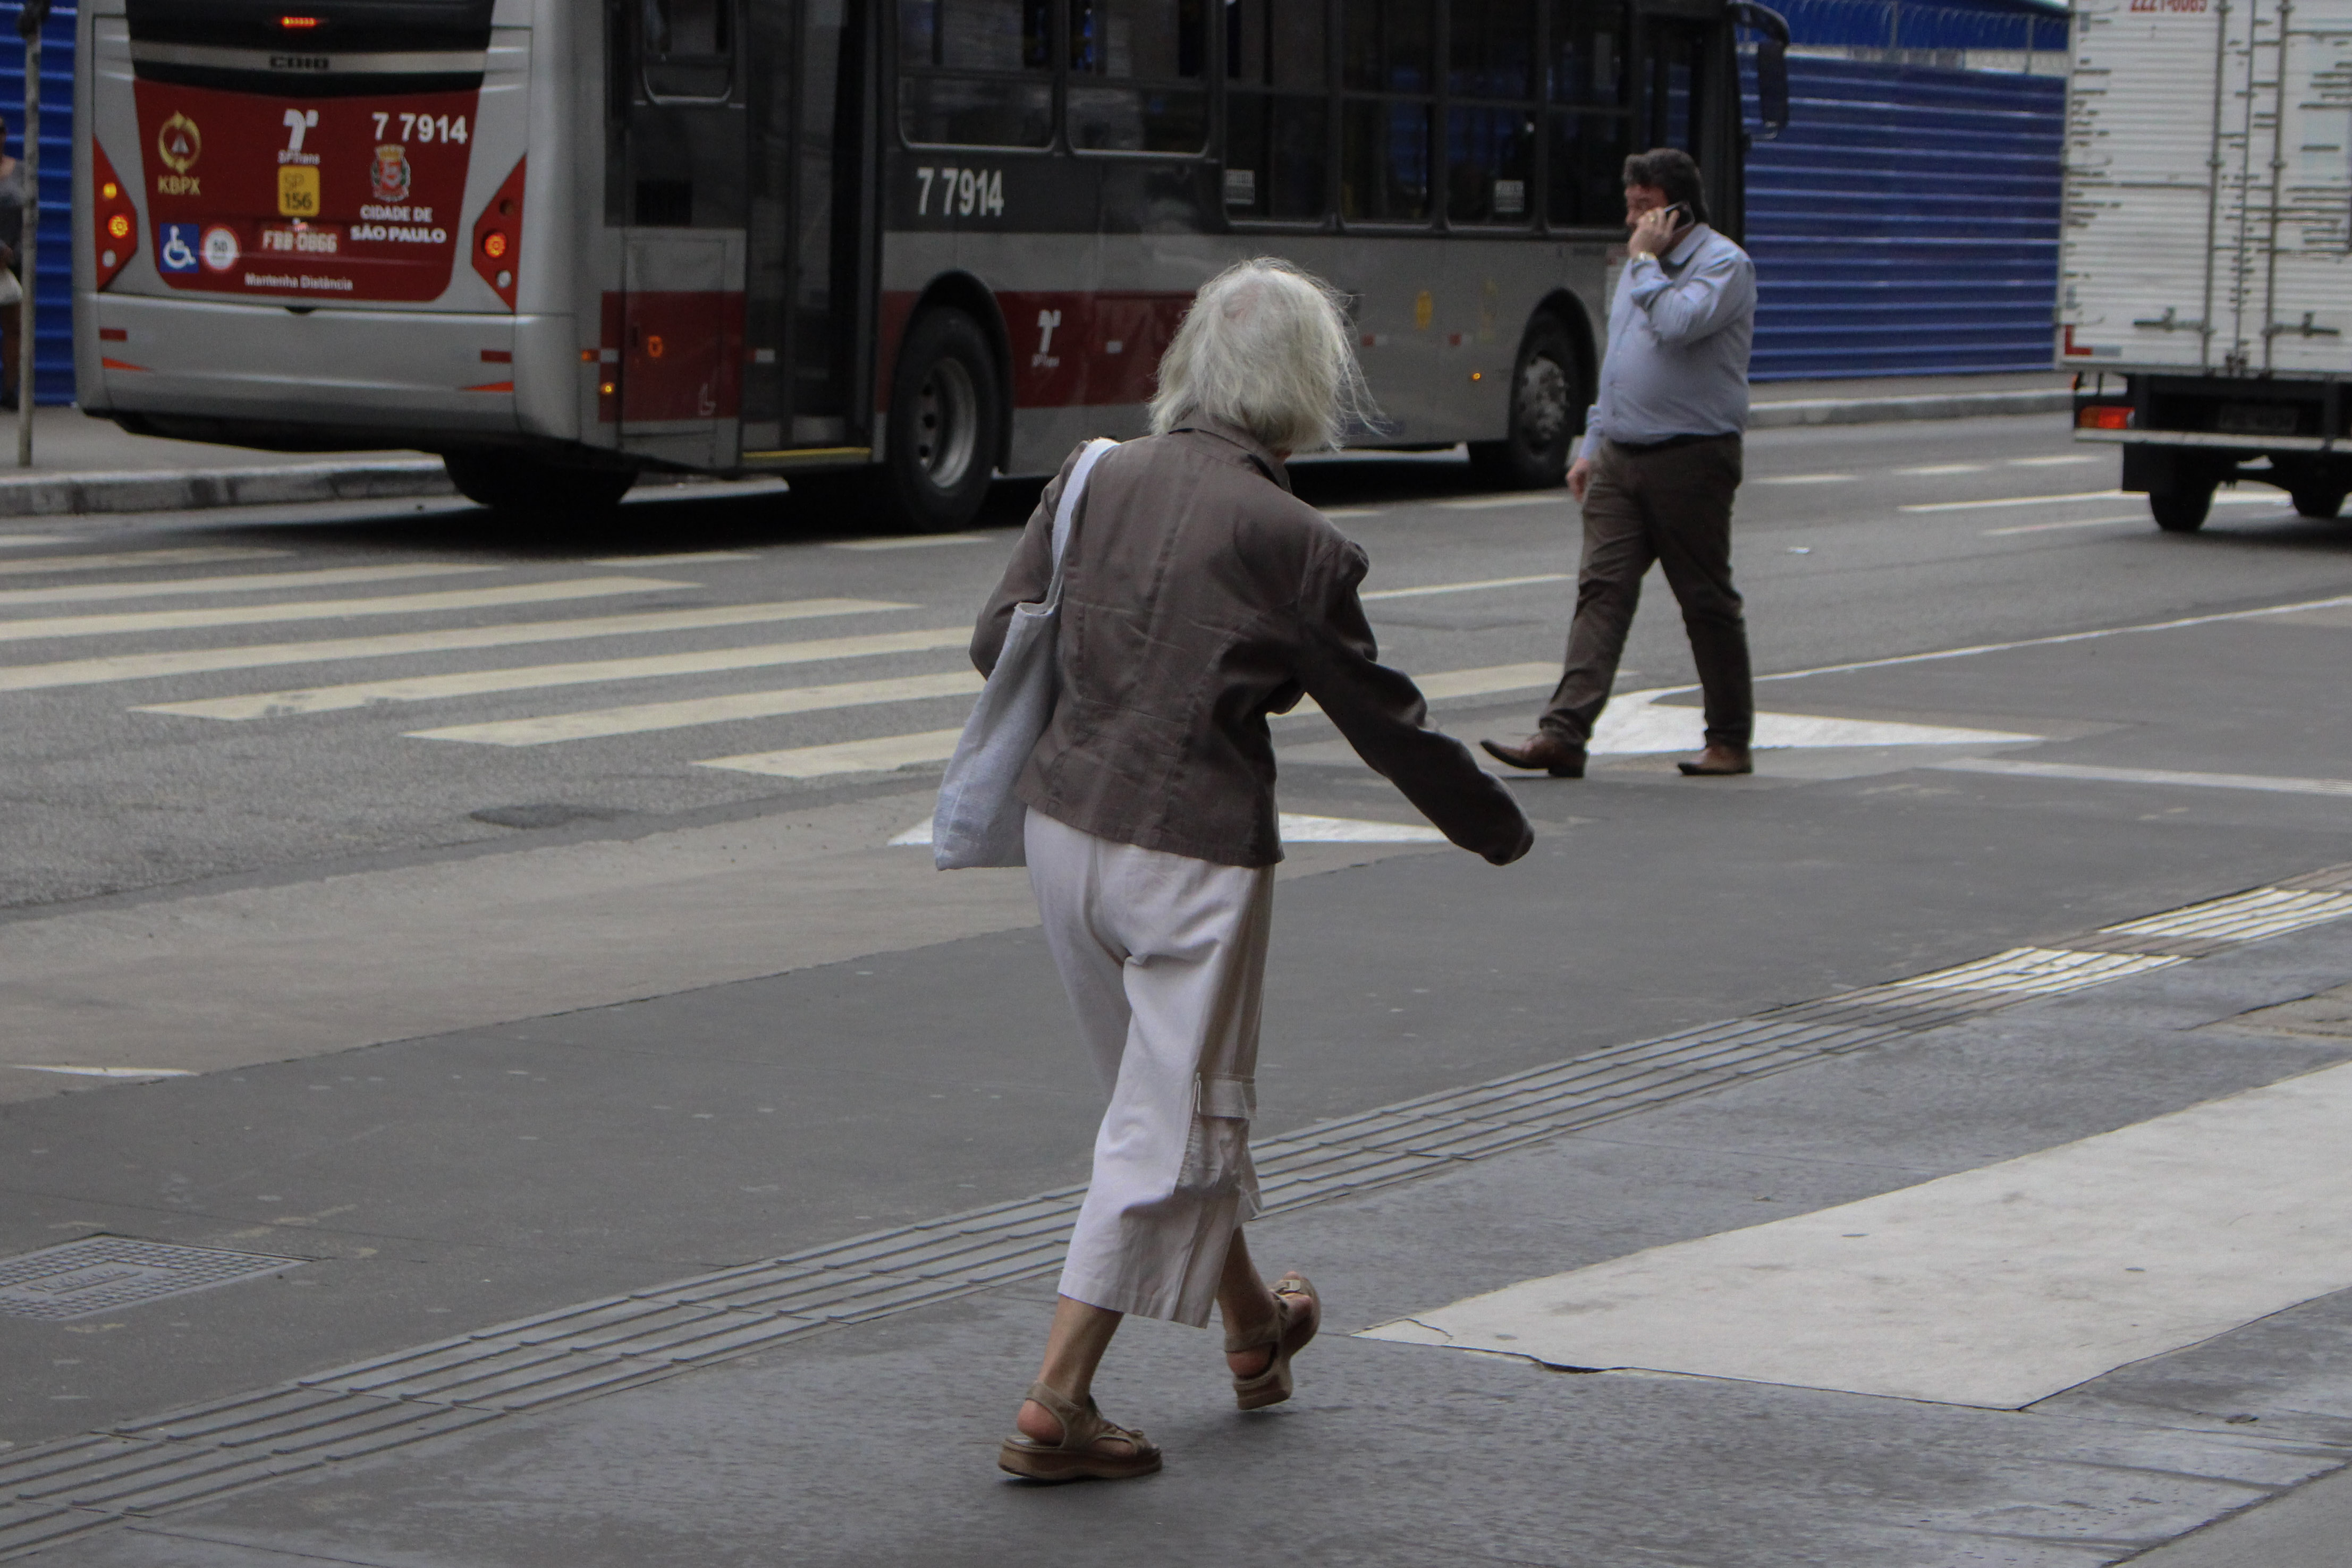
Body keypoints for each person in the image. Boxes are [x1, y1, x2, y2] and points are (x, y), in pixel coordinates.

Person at [972, 258, 1534, 1482]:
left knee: (1158, 1102)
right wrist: (1494, 824)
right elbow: (1385, 721)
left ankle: (1252, 1330)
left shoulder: (1088, 474)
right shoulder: (1297, 538)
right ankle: (1056, 1398)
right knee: (1169, 1118)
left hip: (1061, 833)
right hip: (1191, 855)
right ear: (1305, 388)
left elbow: (992, 642)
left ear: (1191, 365)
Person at [1483, 147, 1758, 780]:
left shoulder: (1722, 264)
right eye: (1630, 206)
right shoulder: (1639, 268)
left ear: (1678, 208)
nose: (1633, 218)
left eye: (1645, 207)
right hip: (1620, 456)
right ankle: (1562, 734)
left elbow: (1679, 324)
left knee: (1704, 599)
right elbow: (1618, 360)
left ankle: (1729, 738)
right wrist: (1589, 443)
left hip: (1691, 456)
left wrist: (1644, 260)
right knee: (1600, 592)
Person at [0, 114, 25, 411]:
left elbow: (30, 213)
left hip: (13, 261)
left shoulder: (21, 170)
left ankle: (10, 391)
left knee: (14, 327)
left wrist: (11, 253)